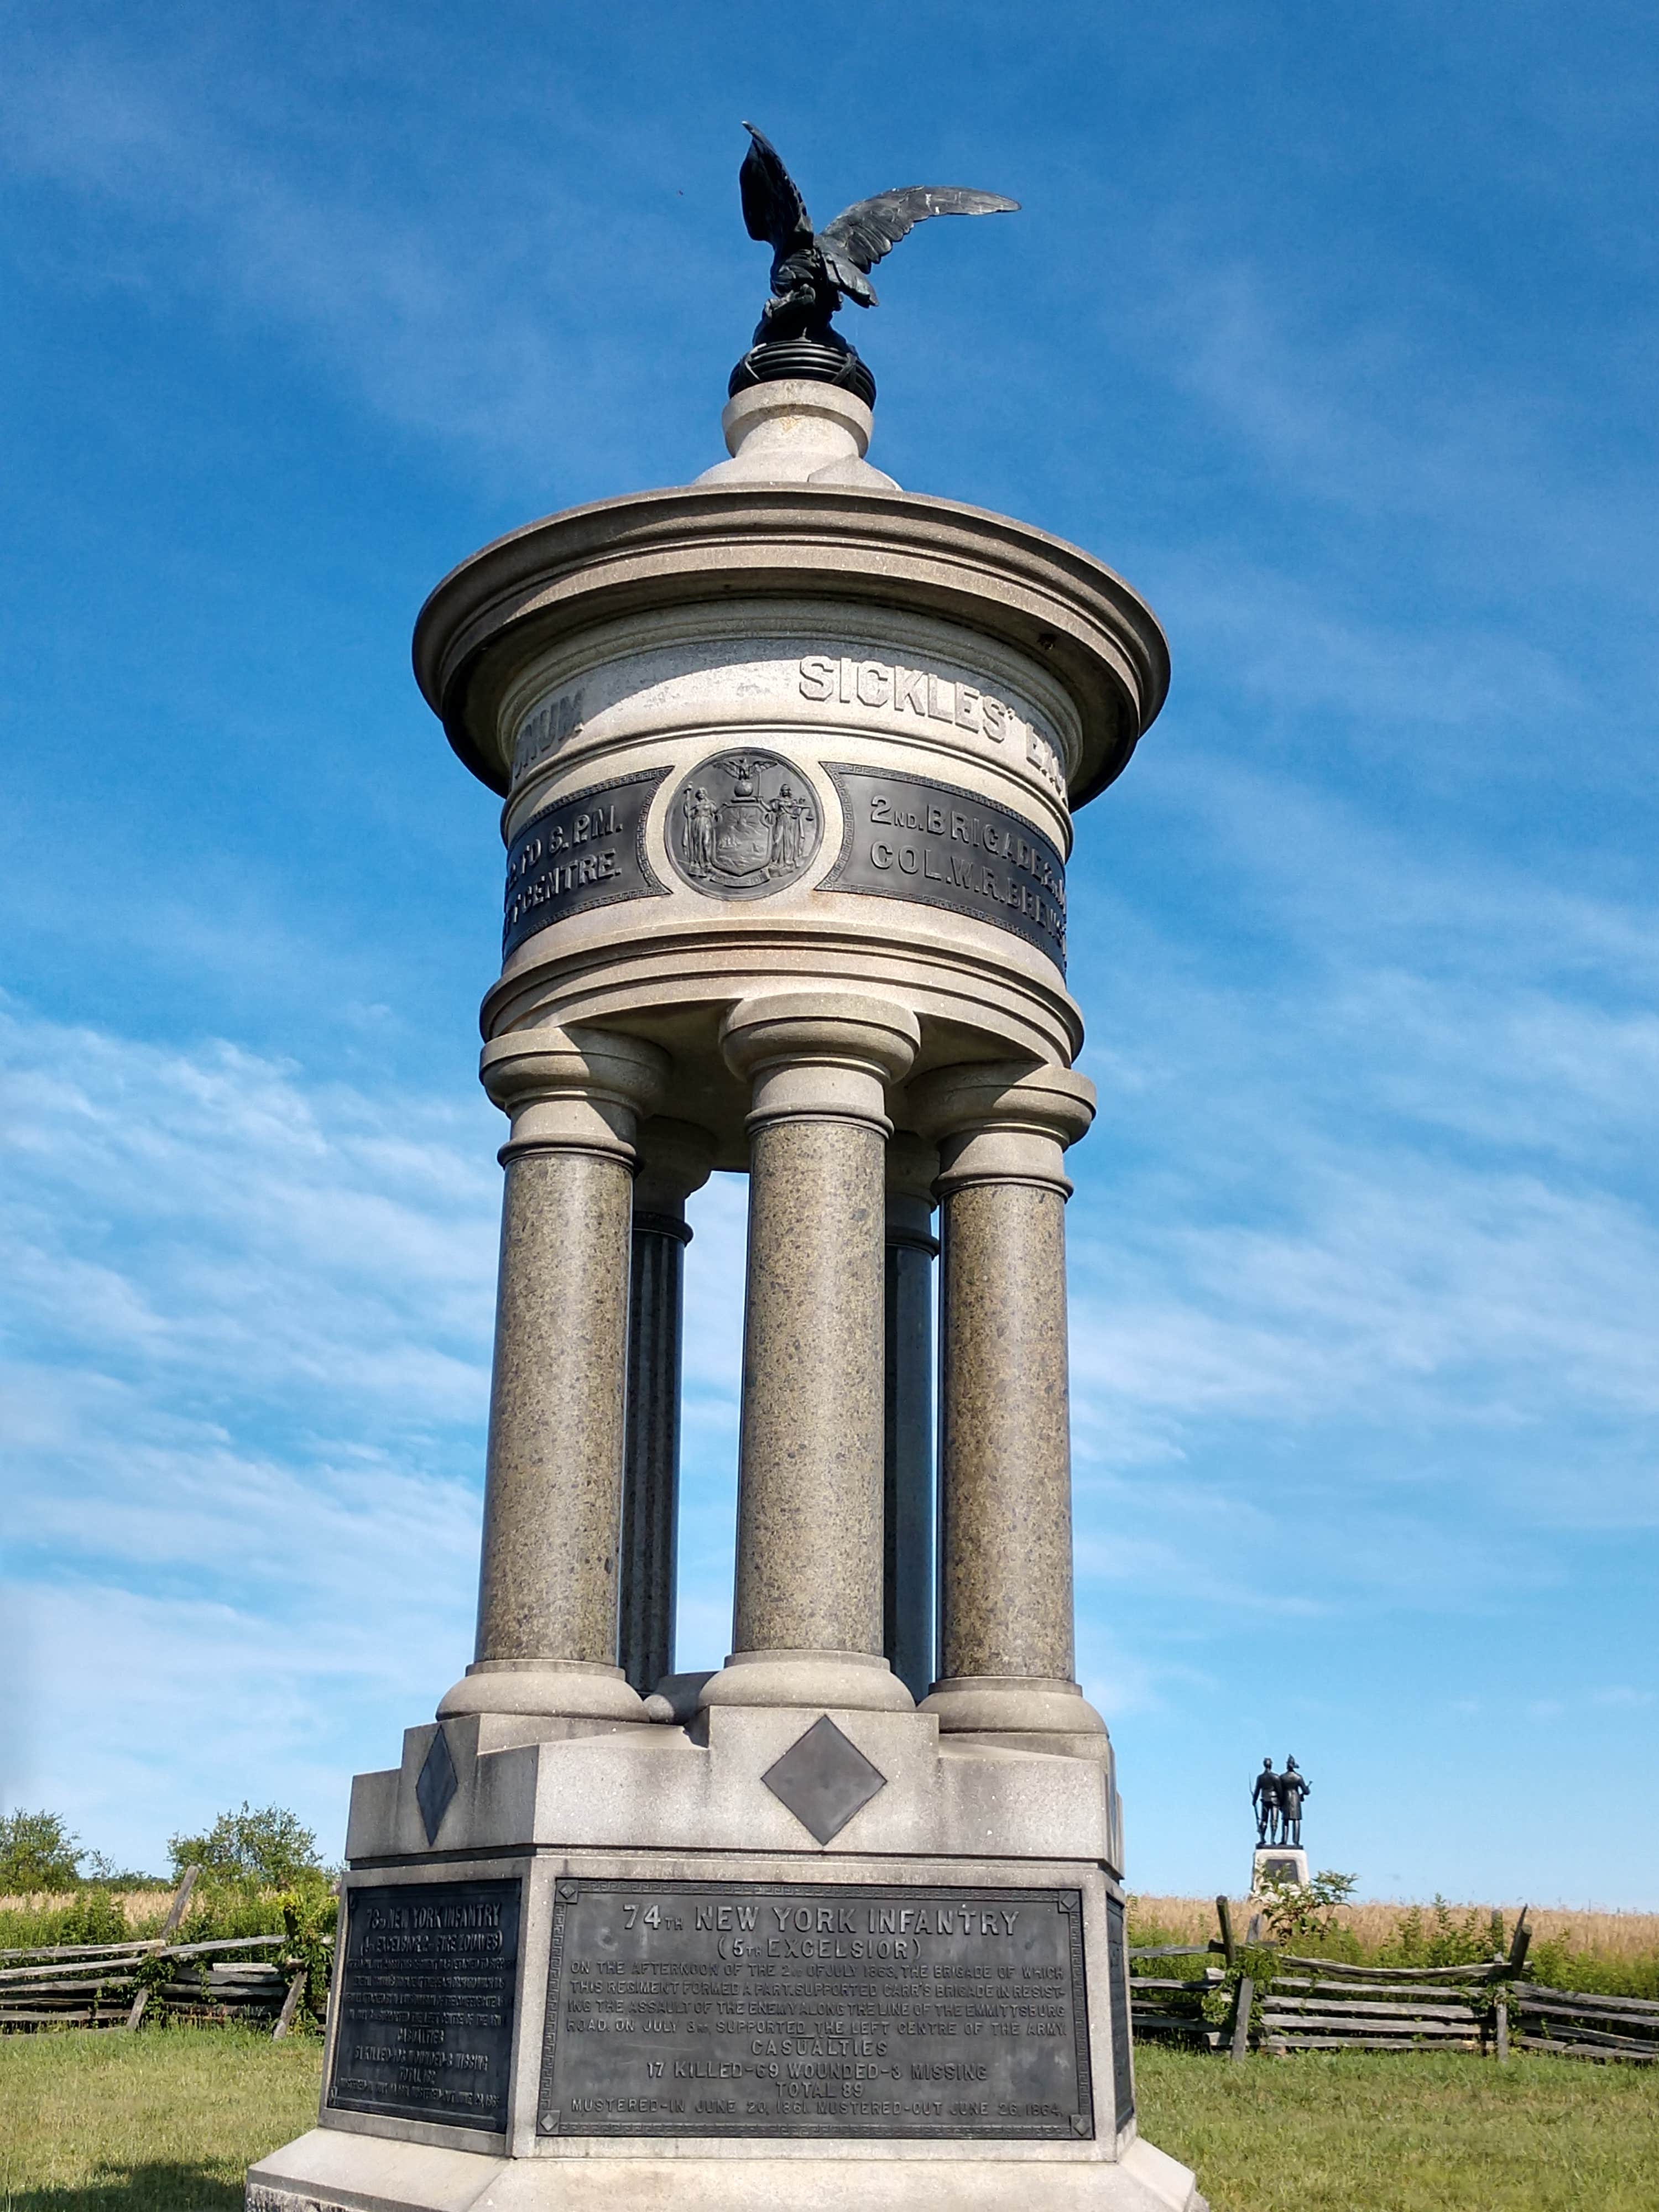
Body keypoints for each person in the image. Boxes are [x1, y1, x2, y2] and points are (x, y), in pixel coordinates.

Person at [1278, 1757, 1311, 1848]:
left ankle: (1284, 1840)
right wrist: (1307, 1790)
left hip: (1286, 1798)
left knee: (1285, 1820)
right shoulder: (1298, 1778)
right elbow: (1306, 1791)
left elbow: (1279, 1791)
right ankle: (1296, 1841)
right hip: (1295, 1798)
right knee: (1296, 1820)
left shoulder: (1282, 1777)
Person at [1251, 1757, 1280, 1846]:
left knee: (1264, 1820)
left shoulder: (1260, 1778)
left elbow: (1257, 1790)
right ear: (1271, 1765)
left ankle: (1262, 1838)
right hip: (1275, 1800)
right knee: (1274, 1820)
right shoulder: (1275, 1777)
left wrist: (1254, 1800)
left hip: (1265, 1799)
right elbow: (1280, 1791)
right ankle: (1273, 1839)